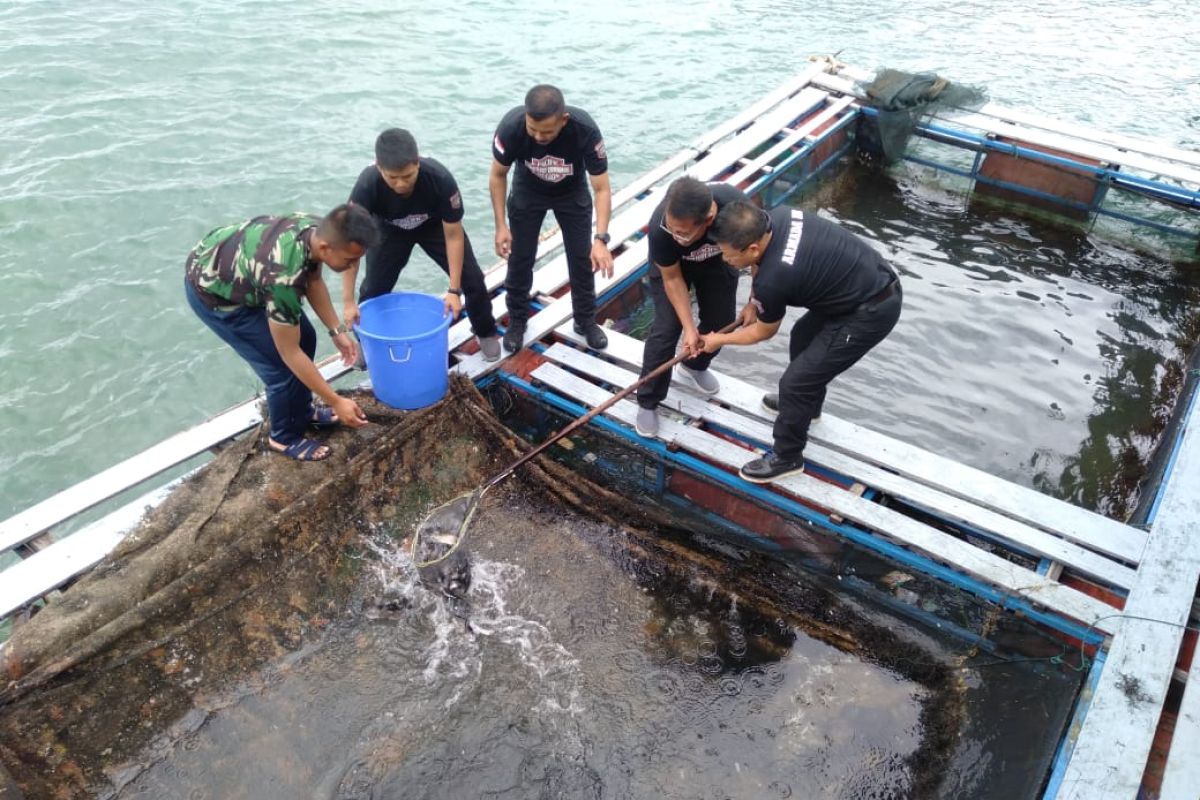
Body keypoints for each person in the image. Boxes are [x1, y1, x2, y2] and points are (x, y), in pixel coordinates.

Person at [700, 201, 902, 483]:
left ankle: (788, 457)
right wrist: (754, 301)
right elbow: (761, 272)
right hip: (859, 282)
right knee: (802, 337)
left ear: (753, 248)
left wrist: (718, 339)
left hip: (871, 309)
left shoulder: (776, 277)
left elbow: (762, 332)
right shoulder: (777, 216)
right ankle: (807, 408)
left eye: (729, 256)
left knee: (795, 383)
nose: (725, 260)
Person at [185, 204, 380, 462]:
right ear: (325, 248)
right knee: (280, 369)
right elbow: (288, 353)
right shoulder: (284, 279)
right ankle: (283, 437)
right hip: (215, 293)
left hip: (243, 272)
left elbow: (313, 280)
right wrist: (335, 401)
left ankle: (301, 411)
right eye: (350, 259)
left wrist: (336, 330)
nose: (353, 265)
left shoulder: (313, 231)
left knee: (307, 339)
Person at [343, 128, 501, 361]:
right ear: (379, 168)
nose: (400, 184)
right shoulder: (367, 186)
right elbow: (351, 248)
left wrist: (454, 290)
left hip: (434, 226)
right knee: (372, 291)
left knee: (473, 279)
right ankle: (368, 342)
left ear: (417, 163)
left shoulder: (440, 179)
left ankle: (485, 331)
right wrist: (347, 302)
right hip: (389, 229)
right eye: (392, 178)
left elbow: (454, 236)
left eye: (407, 176)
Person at [490, 84, 614, 353]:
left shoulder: (585, 130)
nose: (537, 136)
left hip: (571, 192)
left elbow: (602, 187)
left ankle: (585, 321)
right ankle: (518, 322)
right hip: (528, 191)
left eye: (546, 132)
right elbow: (498, 175)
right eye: (532, 129)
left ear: (564, 120)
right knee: (521, 257)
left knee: (581, 259)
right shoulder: (511, 128)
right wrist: (500, 226)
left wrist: (601, 238)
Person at [634, 177, 748, 438]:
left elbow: (759, 246)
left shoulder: (734, 207)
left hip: (717, 261)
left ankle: (695, 366)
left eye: (683, 232)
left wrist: (757, 295)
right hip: (674, 269)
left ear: (708, 220)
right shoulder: (662, 228)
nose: (676, 235)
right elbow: (672, 279)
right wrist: (688, 329)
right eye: (673, 228)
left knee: (721, 323)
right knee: (666, 330)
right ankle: (648, 400)